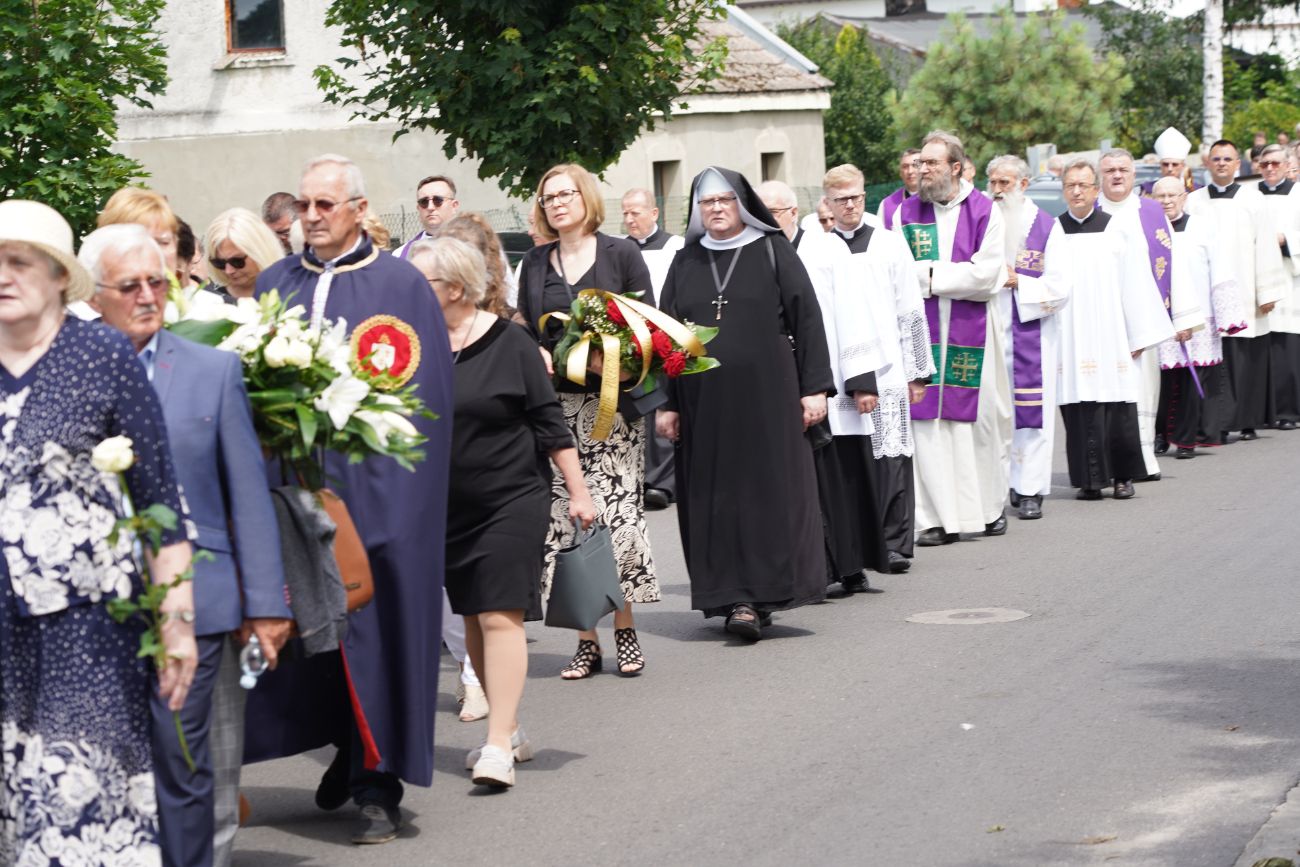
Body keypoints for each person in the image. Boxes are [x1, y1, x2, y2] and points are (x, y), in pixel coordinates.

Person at [244, 154, 453, 845]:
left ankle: (377, 784)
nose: (310, 217)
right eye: (304, 205)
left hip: (380, 496)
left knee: (376, 629)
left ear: (360, 209)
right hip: (296, 491)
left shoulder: (402, 285)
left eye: (325, 205)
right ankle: (343, 740)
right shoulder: (277, 281)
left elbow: (425, 406)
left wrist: (403, 508)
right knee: (307, 632)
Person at [80, 222, 292, 867]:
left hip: (201, 603)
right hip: (93, 611)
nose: (148, 295)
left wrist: (265, 603)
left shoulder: (213, 370)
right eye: (130, 285)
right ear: (94, 296)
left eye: (159, 281)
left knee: (191, 768)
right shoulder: (60, 373)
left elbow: (247, 494)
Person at [0, 199, 197, 862]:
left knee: (82, 813)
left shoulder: (102, 354)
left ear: (60, 275)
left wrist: (176, 624)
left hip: (86, 633)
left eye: (19, 262)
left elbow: (161, 505)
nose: (3, 276)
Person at [409, 236, 595, 788]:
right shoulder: (414, 347)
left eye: (422, 285)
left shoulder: (512, 343)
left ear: (457, 289)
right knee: (472, 621)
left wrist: (578, 492)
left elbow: (549, 424)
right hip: (446, 509)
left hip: (511, 499)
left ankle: (495, 747)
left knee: (498, 614)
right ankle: (509, 727)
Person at [656, 166, 833, 640]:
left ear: (743, 204)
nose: (715, 209)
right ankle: (734, 597)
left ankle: (765, 591)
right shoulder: (686, 260)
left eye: (725, 200)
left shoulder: (772, 249)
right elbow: (666, 336)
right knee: (716, 497)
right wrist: (667, 402)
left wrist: (813, 388)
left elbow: (808, 318)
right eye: (707, 202)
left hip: (769, 398)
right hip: (703, 404)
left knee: (767, 493)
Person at [516, 164, 659, 675]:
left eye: (565, 194)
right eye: (547, 196)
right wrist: (535, 350)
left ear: (586, 198)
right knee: (569, 521)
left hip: (610, 408)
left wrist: (611, 358)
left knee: (615, 519)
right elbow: (524, 325)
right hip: (555, 411)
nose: (556, 203)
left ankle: (625, 630)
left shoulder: (622, 253)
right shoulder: (534, 262)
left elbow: (650, 330)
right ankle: (586, 638)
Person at [758, 179, 890, 591]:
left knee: (838, 475)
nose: (765, 221)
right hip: (780, 381)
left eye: (773, 212)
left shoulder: (826, 248)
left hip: (828, 375)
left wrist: (862, 381)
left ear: (793, 213)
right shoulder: (753, 254)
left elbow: (853, 311)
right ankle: (807, 568)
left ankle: (848, 564)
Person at [893, 131, 1010, 547]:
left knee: (977, 425)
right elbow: (897, 274)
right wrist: (944, 277)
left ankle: (985, 510)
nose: (922, 170)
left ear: (956, 168)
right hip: (921, 334)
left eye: (932, 164)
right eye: (921, 163)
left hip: (974, 333)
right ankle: (933, 520)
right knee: (927, 428)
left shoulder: (985, 212)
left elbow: (987, 277)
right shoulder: (904, 214)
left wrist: (929, 276)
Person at [823, 163, 933, 573]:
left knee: (891, 457)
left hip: (887, 368)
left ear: (864, 195)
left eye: (856, 196)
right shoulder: (821, 248)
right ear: (828, 204)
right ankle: (854, 545)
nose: (850, 205)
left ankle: (894, 542)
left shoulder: (889, 244)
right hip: (841, 373)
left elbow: (910, 308)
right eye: (841, 199)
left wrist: (917, 371)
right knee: (852, 461)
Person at [1053, 161, 1174, 499]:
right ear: (1064, 190)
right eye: (1070, 185)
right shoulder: (1053, 232)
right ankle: (1090, 481)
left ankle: (1123, 477)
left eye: (1083, 185)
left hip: (1111, 333)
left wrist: (1137, 335)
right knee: (1079, 405)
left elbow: (1135, 284)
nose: (1077, 192)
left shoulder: (1116, 230)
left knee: (1117, 405)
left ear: (1095, 190)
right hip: (1071, 336)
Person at [1097, 147, 1202, 479]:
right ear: (1101, 176)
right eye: (1110, 170)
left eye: (1123, 170)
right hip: (1101, 319)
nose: (1116, 175)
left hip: (1144, 318)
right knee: (1105, 393)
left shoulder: (1152, 212)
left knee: (1143, 391)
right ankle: (1108, 461)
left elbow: (1175, 264)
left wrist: (1182, 318)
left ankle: (1143, 458)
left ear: (1133, 175)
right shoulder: (1091, 212)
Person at [1185, 140, 1289, 440]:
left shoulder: (1253, 200)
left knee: (1244, 360)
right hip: (1206, 295)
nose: (1221, 163)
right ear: (1207, 163)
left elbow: (1267, 247)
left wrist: (1266, 291)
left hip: (1244, 291)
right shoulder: (1194, 202)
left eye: (1227, 159)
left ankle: (1245, 419)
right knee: (1212, 359)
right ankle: (1211, 423)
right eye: (1216, 158)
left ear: (1237, 164)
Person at [986, 155, 1070, 520]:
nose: (997, 190)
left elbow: (1061, 286)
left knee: (1031, 414)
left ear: (1023, 184)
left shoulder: (1047, 227)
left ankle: (1030, 488)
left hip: (1030, 331)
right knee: (992, 412)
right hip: (988, 330)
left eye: (1004, 183)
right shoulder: (982, 222)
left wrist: (1021, 281)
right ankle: (997, 487)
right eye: (992, 182)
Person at [1151, 177, 1247, 458]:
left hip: (1197, 316)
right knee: (1162, 383)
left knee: (1192, 382)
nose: (1167, 201)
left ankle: (1186, 440)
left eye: (1172, 195)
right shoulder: (1145, 231)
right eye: (1160, 196)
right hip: (1159, 317)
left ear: (1184, 197)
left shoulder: (1202, 228)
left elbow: (1219, 269)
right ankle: (1159, 436)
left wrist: (1226, 314)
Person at [621, 187, 685, 512]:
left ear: (654, 213)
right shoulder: (618, 250)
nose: (629, 219)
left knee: (663, 406)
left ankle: (662, 482)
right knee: (639, 407)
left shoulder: (676, 247)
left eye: (636, 212)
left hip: (665, 335)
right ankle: (638, 478)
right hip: (632, 340)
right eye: (625, 214)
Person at [1254, 143, 1300, 429]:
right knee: (1261, 348)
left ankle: (1288, 411)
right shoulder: (1249, 195)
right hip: (1256, 281)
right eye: (1265, 164)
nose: (1270, 168)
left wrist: (1287, 240)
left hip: (1288, 279)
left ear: (1286, 165)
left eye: (1276, 163)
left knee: (1286, 348)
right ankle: (1260, 413)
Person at [204, 207, 285, 301]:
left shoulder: (292, 289)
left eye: (237, 261)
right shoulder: (211, 300)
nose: (229, 270)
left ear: (259, 251)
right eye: (219, 263)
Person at [395, 175, 460, 259]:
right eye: (424, 202)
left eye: (438, 200)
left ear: (454, 206)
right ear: (418, 208)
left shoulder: (473, 247)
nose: (430, 207)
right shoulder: (400, 255)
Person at [1141, 127, 1203, 196]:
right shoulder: (1148, 189)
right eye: (1165, 164)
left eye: (1175, 164)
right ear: (1160, 165)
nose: (1170, 169)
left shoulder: (1196, 191)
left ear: (1183, 166)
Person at [878, 148, 921, 230]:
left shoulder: (938, 200)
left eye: (915, 165)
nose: (910, 171)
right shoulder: (886, 205)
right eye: (905, 167)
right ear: (900, 172)